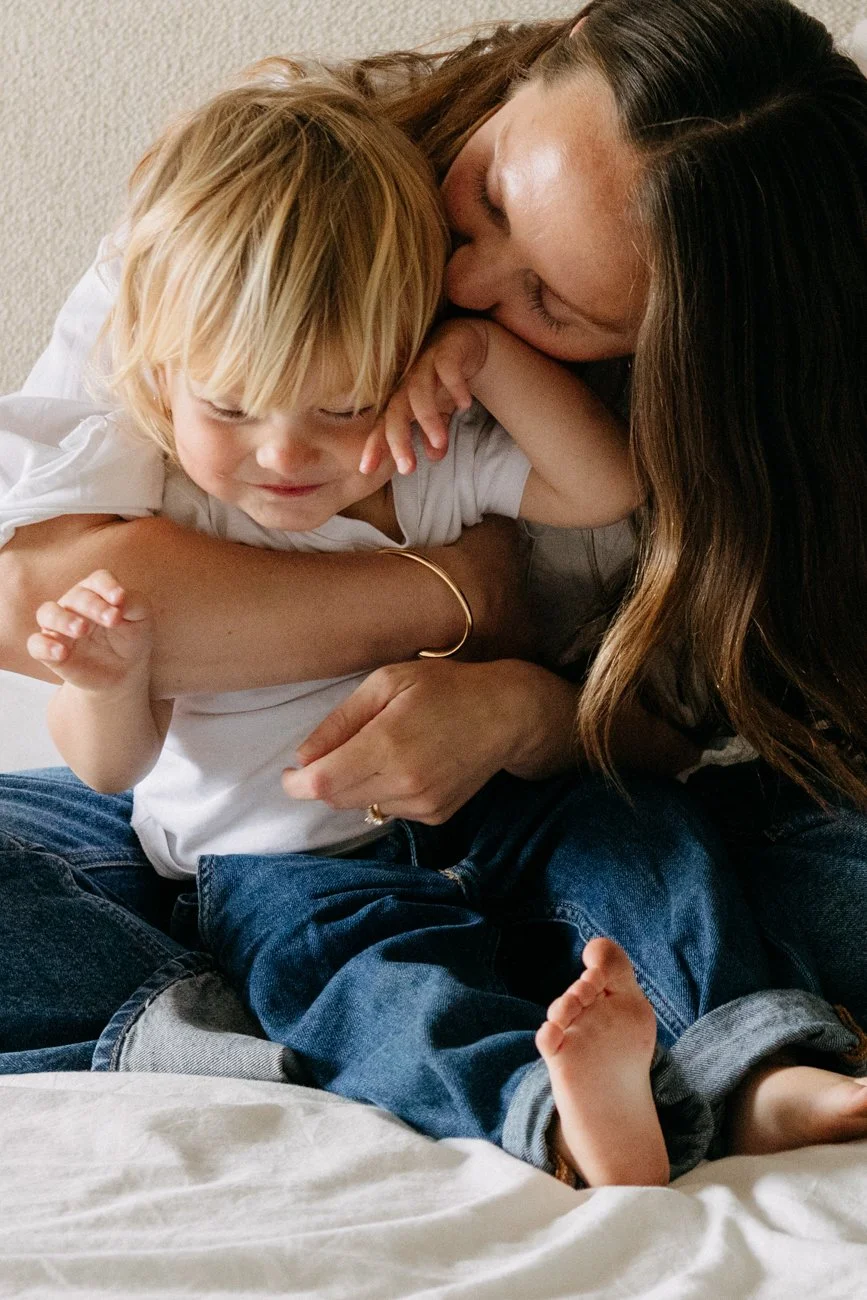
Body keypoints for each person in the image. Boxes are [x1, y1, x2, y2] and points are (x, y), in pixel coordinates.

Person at [0, 0, 865, 1174]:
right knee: (329, 956)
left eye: (551, 304)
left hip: (545, 801)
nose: (460, 274)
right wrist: (458, 593)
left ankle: (744, 1056)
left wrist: (521, 710)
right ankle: (491, 1087)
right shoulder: (268, 224)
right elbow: (35, 601)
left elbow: (667, 718)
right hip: (273, 857)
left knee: (691, 850)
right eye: (493, 199)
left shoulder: (461, 441)